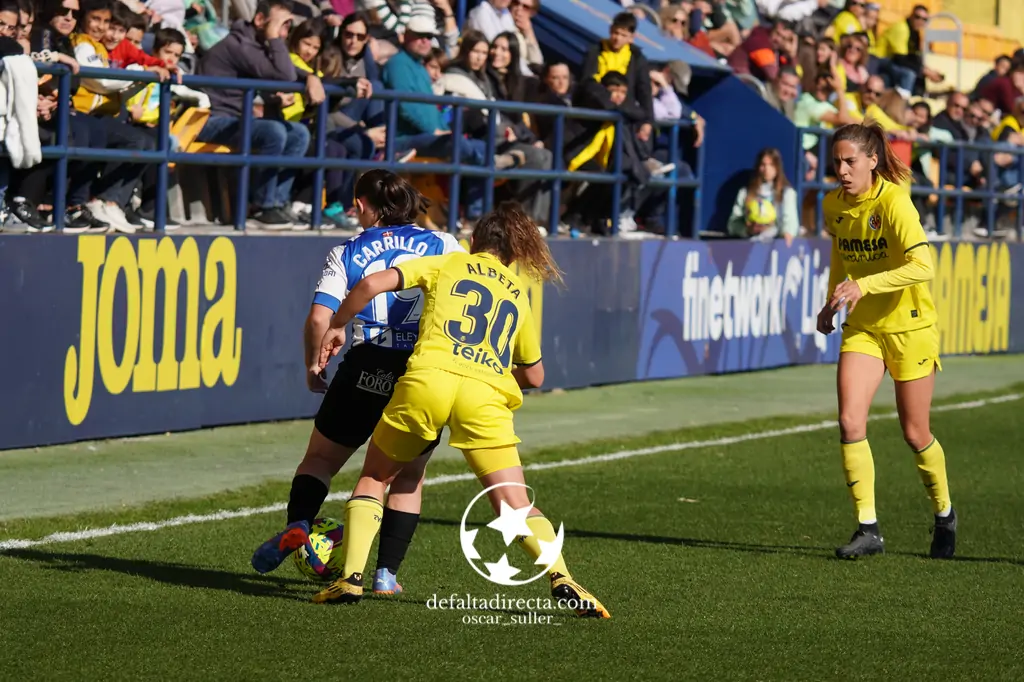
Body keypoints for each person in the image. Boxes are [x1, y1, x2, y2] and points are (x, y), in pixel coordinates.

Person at [308, 201, 610, 618]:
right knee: (513, 503)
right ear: (514, 255)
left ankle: (353, 578)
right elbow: (535, 375)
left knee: (376, 476)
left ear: (473, 242)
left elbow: (372, 284)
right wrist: (488, 376)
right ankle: (561, 576)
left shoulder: (447, 263)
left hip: (428, 380)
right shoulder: (516, 294)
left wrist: (339, 324)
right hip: (484, 395)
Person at [251, 170, 463, 593]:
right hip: (420, 371)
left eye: (355, 204)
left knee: (320, 461)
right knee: (407, 477)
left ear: (365, 205)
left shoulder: (346, 250)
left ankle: (299, 525)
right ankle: (386, 575)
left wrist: (315, 365)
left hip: (366, 365)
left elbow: (319, 318)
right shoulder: (446, 244)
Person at [817, 121, 956, 561]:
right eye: (836, 161)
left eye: (850, 161)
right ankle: (868, 529)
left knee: (915, 433)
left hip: (911, 328)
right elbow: (842, 256)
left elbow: (924, 266)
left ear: (872, 161)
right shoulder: (832, 206)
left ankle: (944, 514)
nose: (841, 169)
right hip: (864, 329)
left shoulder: (894, 201)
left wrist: (865, 286)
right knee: (849, 422)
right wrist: (832, 301)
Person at [727, 147, 798, 244]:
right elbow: (732, 225)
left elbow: (790, 222)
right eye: (763, 165)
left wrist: (787, 233)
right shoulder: (745, 193)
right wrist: (748, 230)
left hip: (775, 247)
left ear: (778, 168)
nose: (766, 169)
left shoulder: (787, 193)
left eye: (771, 165)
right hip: (749, 246)